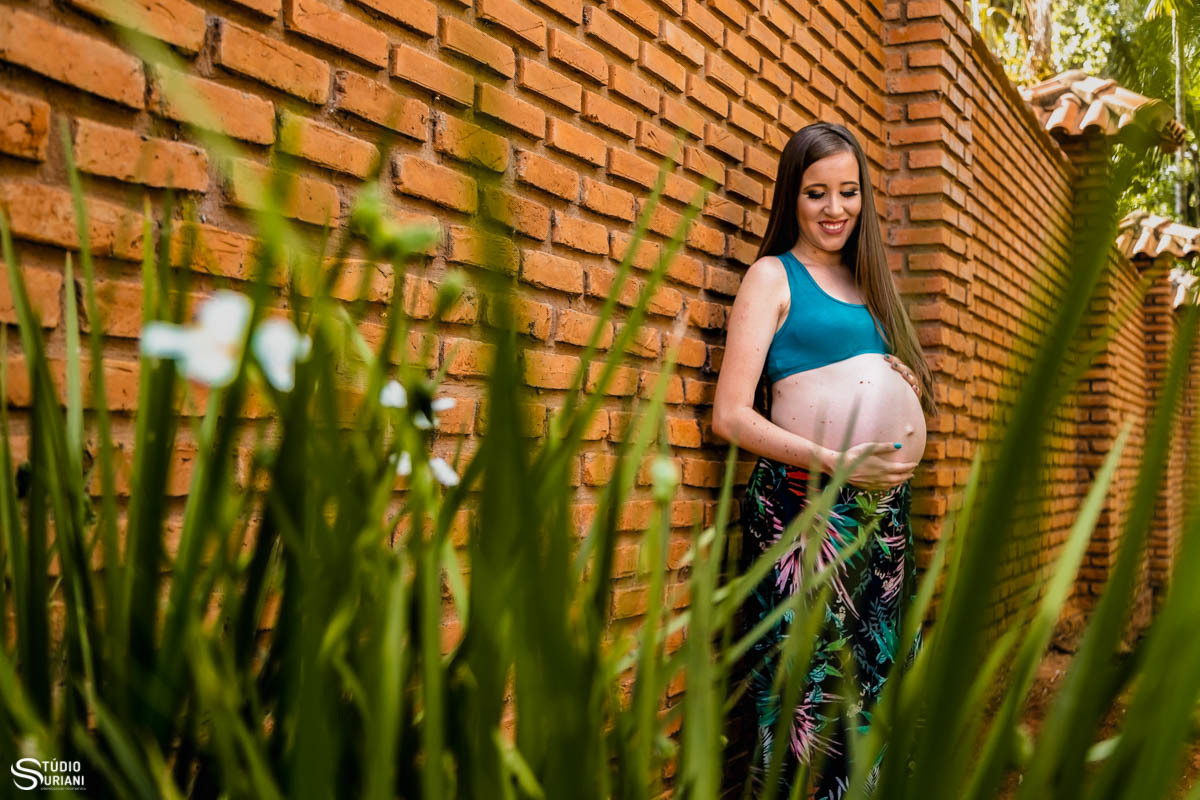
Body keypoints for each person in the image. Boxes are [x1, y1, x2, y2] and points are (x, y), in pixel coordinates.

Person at [711, 122, 939, 798]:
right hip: (805, 512)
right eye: (817, 194)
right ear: (793, 197)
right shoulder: (771, 276)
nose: (834, 209)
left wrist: (906, 383)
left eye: (848, 192)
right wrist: (836, 460)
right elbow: (730, 416)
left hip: (882, 519)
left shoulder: (870, 283)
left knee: (875, 686)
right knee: (807, 689)